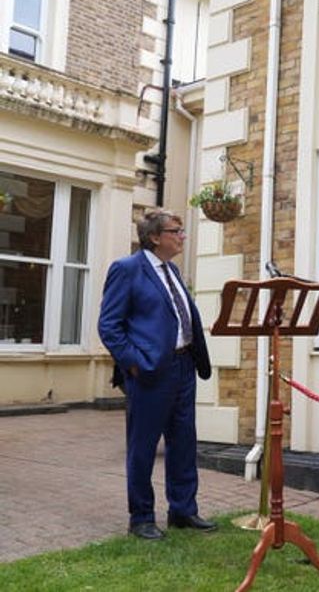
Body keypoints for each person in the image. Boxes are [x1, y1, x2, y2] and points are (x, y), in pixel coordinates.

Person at [98, 209, 216, 540]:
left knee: (183, 443)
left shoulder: (172, 270)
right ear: (154, 237)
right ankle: (141, 518)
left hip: (183, 367)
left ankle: (182, 510)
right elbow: (109, 325)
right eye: (176, 231)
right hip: (150, 372)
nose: (182, 236)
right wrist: (133, 363)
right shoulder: (127, 269)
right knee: (143, 446)